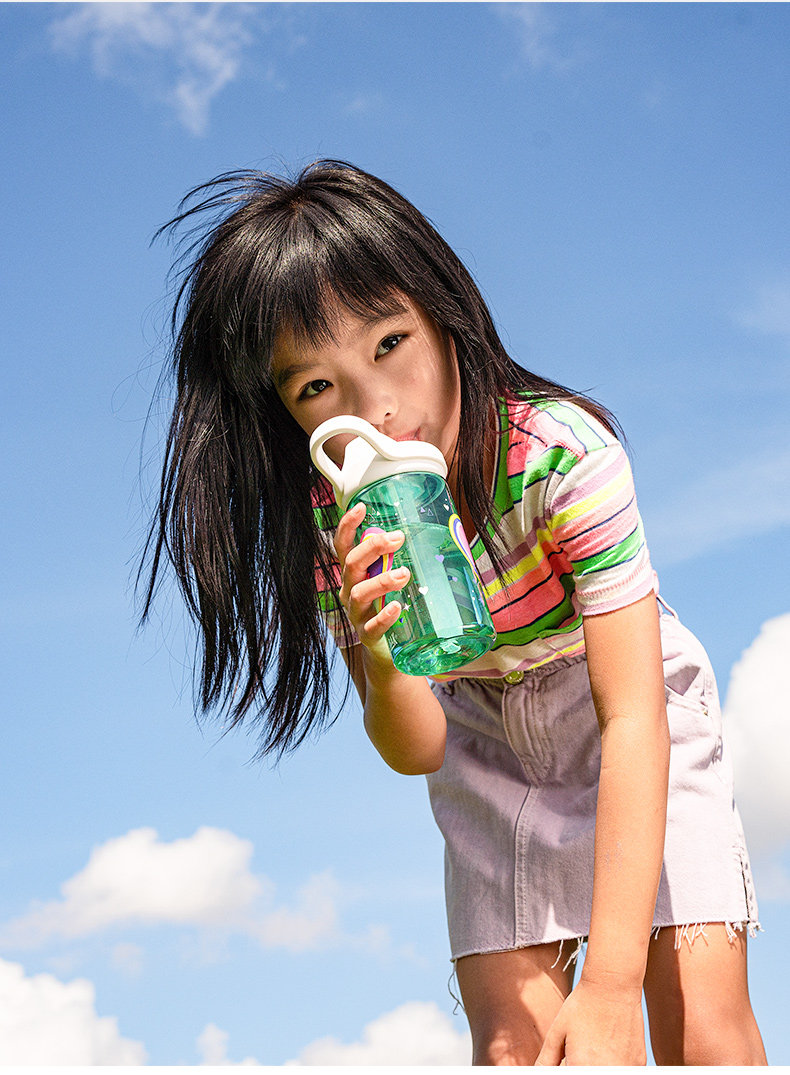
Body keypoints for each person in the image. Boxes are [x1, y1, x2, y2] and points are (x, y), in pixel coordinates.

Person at [140, 160, 766, 1065]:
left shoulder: (560, 455)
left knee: (699, 1023)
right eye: (316, 387)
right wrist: (382, 653)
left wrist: (607, 982)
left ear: (443, 311)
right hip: (478, 732)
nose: (376, 407)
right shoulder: (336, 522)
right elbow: (421, 748)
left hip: (625, 712)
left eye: (389, 341)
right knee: (515, 1046)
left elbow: (632, 714)